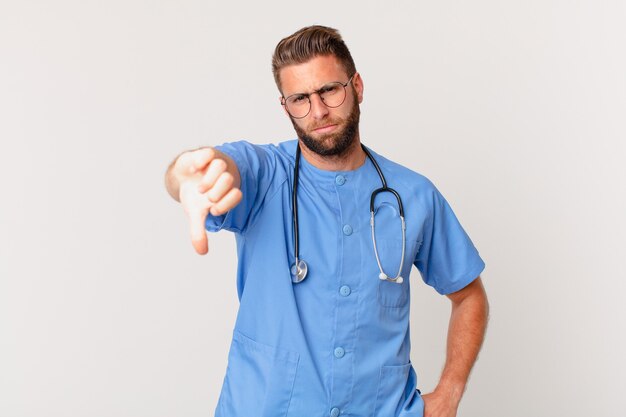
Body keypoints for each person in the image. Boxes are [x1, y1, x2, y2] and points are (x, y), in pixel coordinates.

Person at [165, 25, 489, 417]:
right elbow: (221, 166)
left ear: (357, 87)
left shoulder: (413, 195)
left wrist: (450, 391)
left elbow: (469, 294)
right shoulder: (266, 175)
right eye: (300, 98)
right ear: (285, 107)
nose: (317, 111)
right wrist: (189, 175)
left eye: (329, 91)